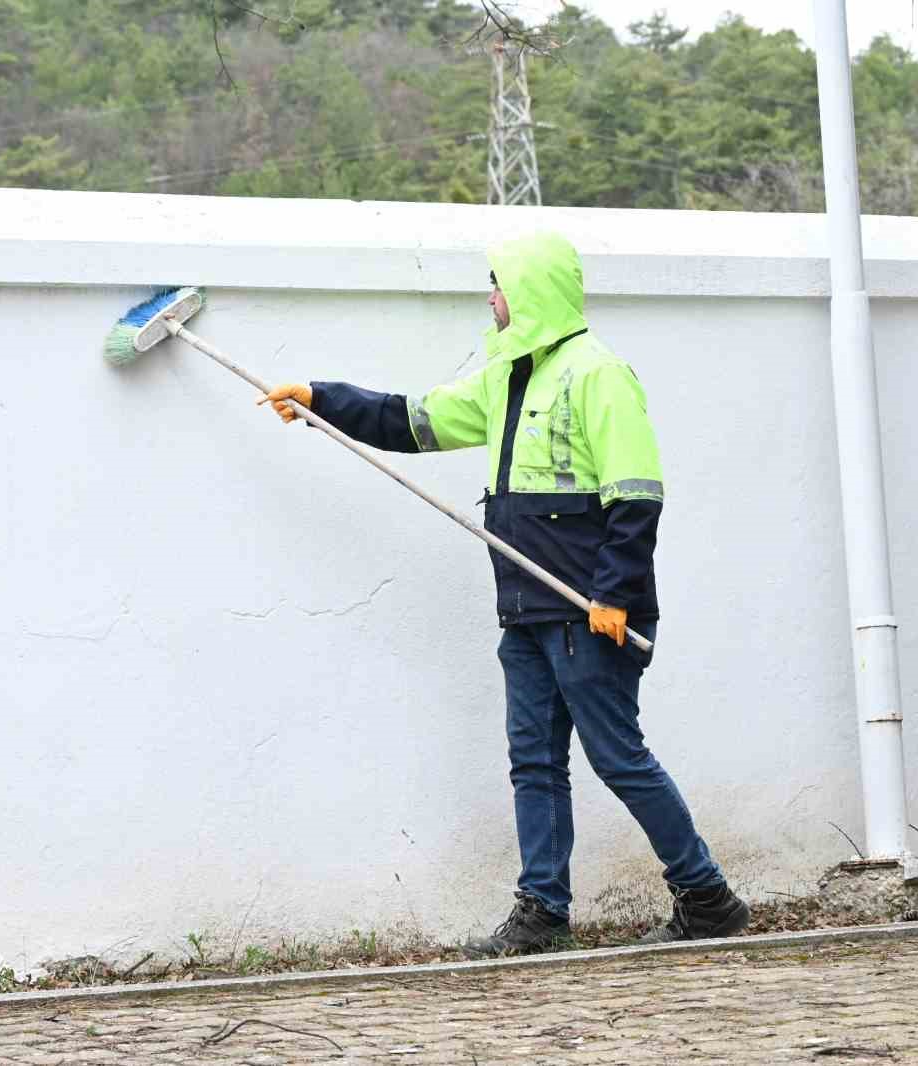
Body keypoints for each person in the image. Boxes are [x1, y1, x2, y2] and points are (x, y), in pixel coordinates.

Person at [259, 231, 749, 955]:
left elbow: (637, 493)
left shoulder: (598, 374)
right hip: (525, 607)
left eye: (499, 286)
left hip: (590, 610)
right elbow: (413, 419)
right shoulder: (505, 379)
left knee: (617, 757)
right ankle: (543, 914)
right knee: (535, 762)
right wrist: (322, 400)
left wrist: (613, 592)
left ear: (530, 292)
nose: (491, 299)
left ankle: (706, 896)